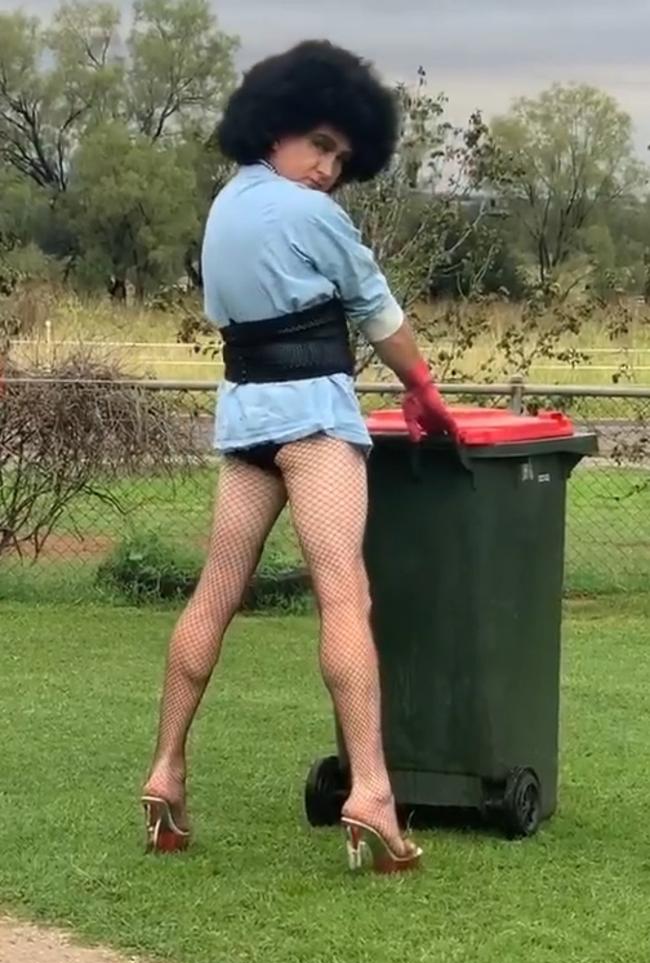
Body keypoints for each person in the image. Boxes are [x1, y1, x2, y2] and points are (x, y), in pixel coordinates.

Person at [141, 39, 458, 874]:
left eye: (342, 159)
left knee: (216, 591)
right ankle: (374, 792)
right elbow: (383, 321)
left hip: (244, 416)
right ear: (275, 126)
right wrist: (425, 394)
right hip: (314, 417)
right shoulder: (315, 217)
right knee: (344, 593)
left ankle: (166, 770)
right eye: (320, 145)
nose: (328, 169)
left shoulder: (225, 209)